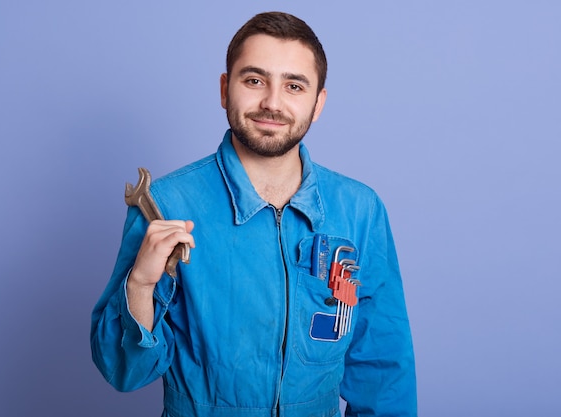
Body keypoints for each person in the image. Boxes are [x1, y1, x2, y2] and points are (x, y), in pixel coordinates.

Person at [91, 11, 416, 417]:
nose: (272, 103)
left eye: (294, 86)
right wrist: (140, 284)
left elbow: (383, 373)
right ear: (225, 89)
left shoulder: (360, 210)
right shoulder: (165, 205)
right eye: (254, 80)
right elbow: (124, 370)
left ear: (318, 103)